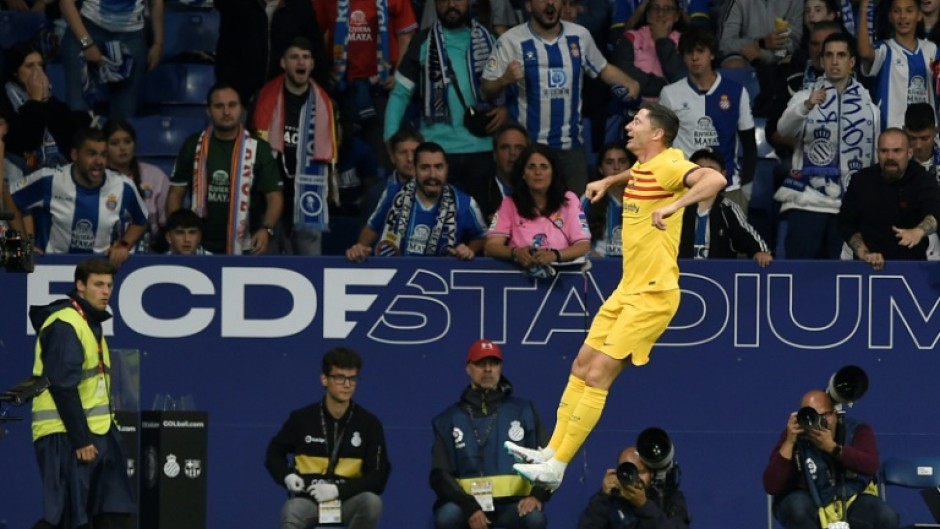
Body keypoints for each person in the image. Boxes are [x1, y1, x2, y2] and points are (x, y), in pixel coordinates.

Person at [506, 102, 726, 490]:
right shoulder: (646, 165)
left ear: (656, 134)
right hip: (627, 289)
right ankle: (549, 451)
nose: (629, 125)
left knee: (597, 375)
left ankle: (558, 467)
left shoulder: (672, 165)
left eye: (637, 122)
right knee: (580, 365)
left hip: (654, 296)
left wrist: (676, 205)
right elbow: (640, 171)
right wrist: (609, 182)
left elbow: (714, 181)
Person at [480, 0, 641, 196]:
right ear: (529, 6)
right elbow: (487, 89)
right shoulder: (511, 40)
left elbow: (602, 68)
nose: (550, 4)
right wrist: (504, 79)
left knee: (577, 215)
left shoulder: (579, 35)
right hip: (531, 148)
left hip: (571, 148)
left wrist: (630, 82)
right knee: (532, 216)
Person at [28, 258, 135, 529]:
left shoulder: (89, 324)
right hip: (65, 436)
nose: (106, 291)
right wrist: (80, 439)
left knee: (113, 513)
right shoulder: (65, 324)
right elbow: (63, 386)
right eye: (98, 284)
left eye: (109, 285)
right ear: (80, 286)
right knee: (66, 519)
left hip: (98, 433)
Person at [385, 0, 506, 209]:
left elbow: (511, 86)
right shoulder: (422, 41)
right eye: (444, 0)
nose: (451, 5)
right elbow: (400, 93)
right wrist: (389, 136)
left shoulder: (489, 39)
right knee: (434, 224)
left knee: (479, 226)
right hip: (436, 151)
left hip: (481, 149)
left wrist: (505, 110)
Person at [774, 32, 878, 260]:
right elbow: (783, 130)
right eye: (829, 55)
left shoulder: (869, 105)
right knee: (801, 278)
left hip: (849, 207)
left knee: (842, 282)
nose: (834, 61)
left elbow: (875, 157)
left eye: (841, 55)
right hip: (808, 203)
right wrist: (806, 106)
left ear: (851, 62)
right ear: (821, 61)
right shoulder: (804, 96)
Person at [431, 339, 550, 529]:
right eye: (480, 363)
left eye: (493, 363)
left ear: (500, 368)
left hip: (512, 505)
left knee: (534, 518)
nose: (488, 369)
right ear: (468, 368)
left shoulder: (524, 411)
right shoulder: (449, 419)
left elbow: (549, 460)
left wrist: (537, 495)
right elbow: (440, 474)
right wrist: (470, 508)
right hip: (466, 505)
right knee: (447, 516)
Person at [265, 347, 390, 529]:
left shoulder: (369, 424)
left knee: (372, 503)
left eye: (352, 378)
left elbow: (378, 476)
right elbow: (273, 453)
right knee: (292, 511)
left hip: (347, 500)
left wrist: (337, 490)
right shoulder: (302, 419)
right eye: (339, 378)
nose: (347, 385)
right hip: (309, 500)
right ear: (324, 379)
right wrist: (287, 476)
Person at [166, 83, 285, 255]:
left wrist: (266, 229)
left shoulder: (258, 148)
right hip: (198, 247)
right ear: (208, 111)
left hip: (246, 244)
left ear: (241, 109)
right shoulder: (193, 144)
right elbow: (176, 193)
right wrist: (176, 232)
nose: (227, 112)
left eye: (232, 105)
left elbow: (274, 197)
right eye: (219, 106)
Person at [9, 127, 149, 266]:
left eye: (103, 155)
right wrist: (22, 245)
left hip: (99, 270)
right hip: (52, 267)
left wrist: (124, 245)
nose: (99, 161)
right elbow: (10, 197)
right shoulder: (50, 180)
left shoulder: (122, 185)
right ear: (75, 155)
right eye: (91, 154)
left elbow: (142, 220)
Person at [763, 389, 899, 529]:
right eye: (811, 416)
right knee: (796, 508)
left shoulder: (857, 430)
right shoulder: (794, 434)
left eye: (823, 416)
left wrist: (833, 448)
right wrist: (790, 442)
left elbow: (870, 465)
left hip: (852, 498)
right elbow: (771, 485)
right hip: (809, 502)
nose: (817, 423)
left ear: (834, 414)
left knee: (886, 515)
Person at [252, 36, 338, 256]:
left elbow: (334, 154)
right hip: (268, 197)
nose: (301, 62)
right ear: (283, 63)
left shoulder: (327, 105)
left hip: (310, 198)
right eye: (294, 57)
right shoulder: (262, 99)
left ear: (312, 64)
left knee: (310, 266)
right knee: (266, 266)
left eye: (306, 57)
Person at [659, 28, 756, 212]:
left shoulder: (736, 92)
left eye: (700, 51)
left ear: (711, 54)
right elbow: (662, 146)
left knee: (728, 241)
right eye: (689, 52)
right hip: (683, 189)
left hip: (728, 189)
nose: (695, 58)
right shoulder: (670, 94)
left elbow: (750, 146)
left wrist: (746, 190)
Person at [314, 0, 417, 168]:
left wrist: (398, 73)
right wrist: (325, 70)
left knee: (383, 156)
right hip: (343, 89)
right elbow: (318, 32)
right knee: (341, 157)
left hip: (381, 89)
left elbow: (405, 35)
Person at [347, 141, 487, 260]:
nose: (432, 175)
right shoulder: (392, 194)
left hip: (441, 280)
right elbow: (372, 229)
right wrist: (360, 249)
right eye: (425, 168)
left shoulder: (465, 203)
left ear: (446, 169)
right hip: (396, 276)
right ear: (414, 170)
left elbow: (482, 236)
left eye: (438, 167)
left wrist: (469, 250)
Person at [837, 128, 940, 270]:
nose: (890, 157)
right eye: (884, 151)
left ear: (909, 153)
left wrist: (918, 231)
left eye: (897, 151)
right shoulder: (861, 180)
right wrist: (865, 253)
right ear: (878, 153)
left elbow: (936, 212)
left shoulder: (923, 180)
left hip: (912, 268)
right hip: (867, 267)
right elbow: (846, 223)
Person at [484, 144, 591, 278]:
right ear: (523, 174)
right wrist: (515, 252)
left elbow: (583, 245)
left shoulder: (569, 200)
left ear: (553, 172)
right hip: (519, 278)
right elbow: (491, 246)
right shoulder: (509, 203)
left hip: (563, 278)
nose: (538, 173)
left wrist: (555, 255)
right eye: (531, 167)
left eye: (544, 167)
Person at [59, 0, 164, 119]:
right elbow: (66, 3)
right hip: (87, 29)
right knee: (78, 110)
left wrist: (158, 43)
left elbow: (156, 2)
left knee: (125, 114)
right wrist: (87, 44)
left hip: (131, 36)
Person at [215, 0, 325, 107]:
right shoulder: (235, 5)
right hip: (242, 101)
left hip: (287, 103)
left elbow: (316, 53)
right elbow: (225, 56)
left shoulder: (301, 6)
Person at [0, 43, 85, 172]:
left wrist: (45, 100)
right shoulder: (4, 99)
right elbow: (26, 142)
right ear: (14, 71)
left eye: (40, 65)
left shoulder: (51, 100)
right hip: (18, 168)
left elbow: (70, 135)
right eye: (29, 66)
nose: (37, 72)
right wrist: (35, 101)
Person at [679, 149, 772, 266]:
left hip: (719, 276)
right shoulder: (676, 207)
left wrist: (760, 251)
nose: (705, 175)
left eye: (711, 170)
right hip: (678, 275)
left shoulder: (728, 208)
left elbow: (746, 234)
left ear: (723, 176)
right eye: (699, 169)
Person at [857, 0, 940, 131]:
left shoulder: (932, 50)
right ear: (890, 16)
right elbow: (864, 52)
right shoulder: (884, 49)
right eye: (897, 11)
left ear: (919, 15)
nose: (903, 16)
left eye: (909, 10)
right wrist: (863, 10)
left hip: (926, 136)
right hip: (892, 134)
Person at [576, 444, 689, 529]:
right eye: (629, 471)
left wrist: (644, 506)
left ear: (651, 473)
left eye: (641, 472)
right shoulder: (608, 499)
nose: (635, 478)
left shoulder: (668, 497)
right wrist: (603, 498)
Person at [103, 118, 170, 253]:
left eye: (127, 142)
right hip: (104, 251)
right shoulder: (96, 177)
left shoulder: (156, 176)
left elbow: (166, 225)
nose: (122, 148)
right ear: (104, 147)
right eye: (114, 143)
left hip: (149, 252)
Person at [608, 0, 686, 102]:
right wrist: (663, 87)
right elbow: (624, 74)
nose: (660, 14)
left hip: (673, 108)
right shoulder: (631, 38)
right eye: (655, 8)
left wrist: (662, 41)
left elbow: (680, 78)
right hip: (634, 106)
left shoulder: (685, 42)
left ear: (676, 16)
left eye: (667, 9)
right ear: (648, 14)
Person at [362, 127, 424, 226]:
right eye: (403, 153)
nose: (410, 159)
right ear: (392, 157)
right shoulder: (377, 194)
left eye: (415, 152)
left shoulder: (436, 191)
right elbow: (364, 238)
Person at [583, 143, 635, 258]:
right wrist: (590, 252)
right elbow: (575, 233)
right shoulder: (589, 196)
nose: (616, 167)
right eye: (609, 162)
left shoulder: (644, 197)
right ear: (601, 169)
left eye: (622, 161)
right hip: (598, 264)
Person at [718, 0, 802, 68]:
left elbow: (795, 43)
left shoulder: (795, 2)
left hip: (781, 57)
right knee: (734, 65)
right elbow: (724, 44)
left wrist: (764, 55)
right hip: (746, 56)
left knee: (793, 61)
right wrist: (761, 43)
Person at [479, 123, 531, 224]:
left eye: (519, 148)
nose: (512, 153)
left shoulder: (541, 190)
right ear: (495, 155)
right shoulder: (478, 193)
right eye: (505, 147)